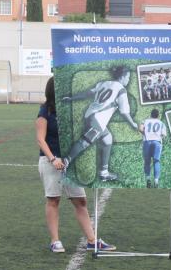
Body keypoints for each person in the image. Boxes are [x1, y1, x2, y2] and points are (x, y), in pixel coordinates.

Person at [36, 77, 116, 253]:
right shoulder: (45, 112)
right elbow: (41, 140)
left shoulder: (67, 109)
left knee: (80, 201)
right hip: (51, 162)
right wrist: (53, 159)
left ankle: (91, 240)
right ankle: (55, 241)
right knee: (53, 200)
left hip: (68, 162)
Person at [62, 66, 138, 182]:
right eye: (128, 77)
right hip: (97, 120)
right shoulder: (121, 90)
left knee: (107, 138)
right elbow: (124, 112)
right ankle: (64, 163)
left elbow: (87, 93)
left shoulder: (104, 83)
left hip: (90, 115)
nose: (128, 80)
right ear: (122, 77)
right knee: (84, 142)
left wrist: (72, 98)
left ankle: (104, 173)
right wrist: (133, 124)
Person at [139, 108, 167, 188]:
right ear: (158, 115)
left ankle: (148, 178)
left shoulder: (145, 121)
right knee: (156, 161)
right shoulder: (161, 123)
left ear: (151, 114)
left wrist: (146, 134)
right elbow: (164, 135)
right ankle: (156, 181)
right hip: (157, 142)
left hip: (147, 142)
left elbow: (140, 128)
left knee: (147, 161)